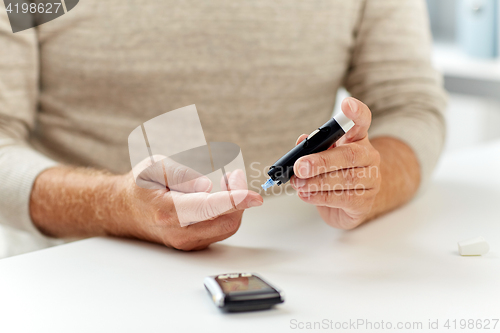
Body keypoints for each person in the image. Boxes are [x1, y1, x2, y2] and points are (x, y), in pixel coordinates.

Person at [0, 0, 446, 254]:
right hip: (68, 268)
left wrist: (367, 181)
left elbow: (411, 107)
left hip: (294, 266)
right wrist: (115, 205)